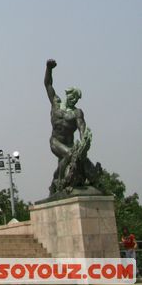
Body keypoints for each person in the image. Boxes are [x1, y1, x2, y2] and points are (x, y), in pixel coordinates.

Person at [44, 59, 101, 195]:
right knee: (70, 155)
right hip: (55, 142)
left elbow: (82, 128)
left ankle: (56, 184)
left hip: (70, 144)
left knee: (74, 159)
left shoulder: (77, 113)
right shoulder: (56, 103)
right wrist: (49, 68)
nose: (73, 100)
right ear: (67, 95)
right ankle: (60, 186)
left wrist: (83, 141)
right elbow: (48, 84)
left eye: (76, 99)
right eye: (72, 96)